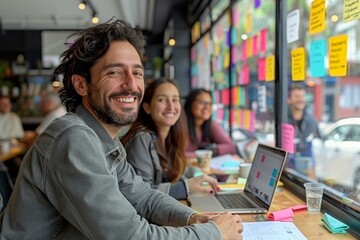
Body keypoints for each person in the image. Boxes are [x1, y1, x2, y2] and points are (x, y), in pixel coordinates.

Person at [0, 19, 243, 239]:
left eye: (137, 72)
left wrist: (193, 218)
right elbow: (130, 236)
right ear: (81, 84)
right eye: (115, 72)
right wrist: (214, 234)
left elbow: (143, 197)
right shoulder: (72, 137)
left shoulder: (106, 142)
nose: (131, 84)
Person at [121, 79, 220, 200]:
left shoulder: (169, 138)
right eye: (162, 100)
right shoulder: (141, 138)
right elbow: (143, 194)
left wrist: (198, 175)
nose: (171, 106)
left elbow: (174, 172)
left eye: (175, 100)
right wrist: (186, 187)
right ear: (147, 107)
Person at [184, 88, 238, 157]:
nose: (207, 107)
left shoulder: (211, 125)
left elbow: (232, 147)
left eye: (210, 103)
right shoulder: (180, 127)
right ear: (190, 104)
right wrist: (203, 154)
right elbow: (177, 155)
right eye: (201, 102)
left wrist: (213, 150)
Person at [287, 83, 320, 179]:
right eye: (297, 96)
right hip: (288, 170)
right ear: (289, 100)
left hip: (306, 168)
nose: (300, 99)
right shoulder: (283, 120)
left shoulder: (311, 120)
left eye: (302, 96)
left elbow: (312, 152)